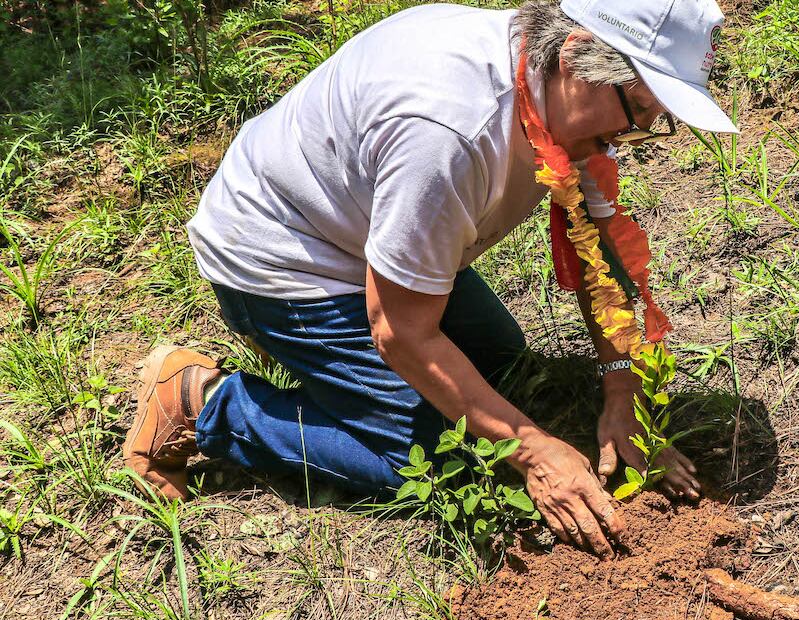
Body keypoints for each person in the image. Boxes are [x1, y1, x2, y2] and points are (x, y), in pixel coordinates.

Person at [122, 0, 738, 559]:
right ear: (575, 52)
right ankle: (205, 401)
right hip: (280, 259)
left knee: (499, 361)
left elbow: (598, 251)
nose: (633, 137)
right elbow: (401, 332)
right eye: (637, 111)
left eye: (654, 119)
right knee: (439, 463)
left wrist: (621, 391)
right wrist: (535, 452)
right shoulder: (450, 131)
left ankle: (325, 370)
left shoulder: (548, 87)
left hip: (360, 231)